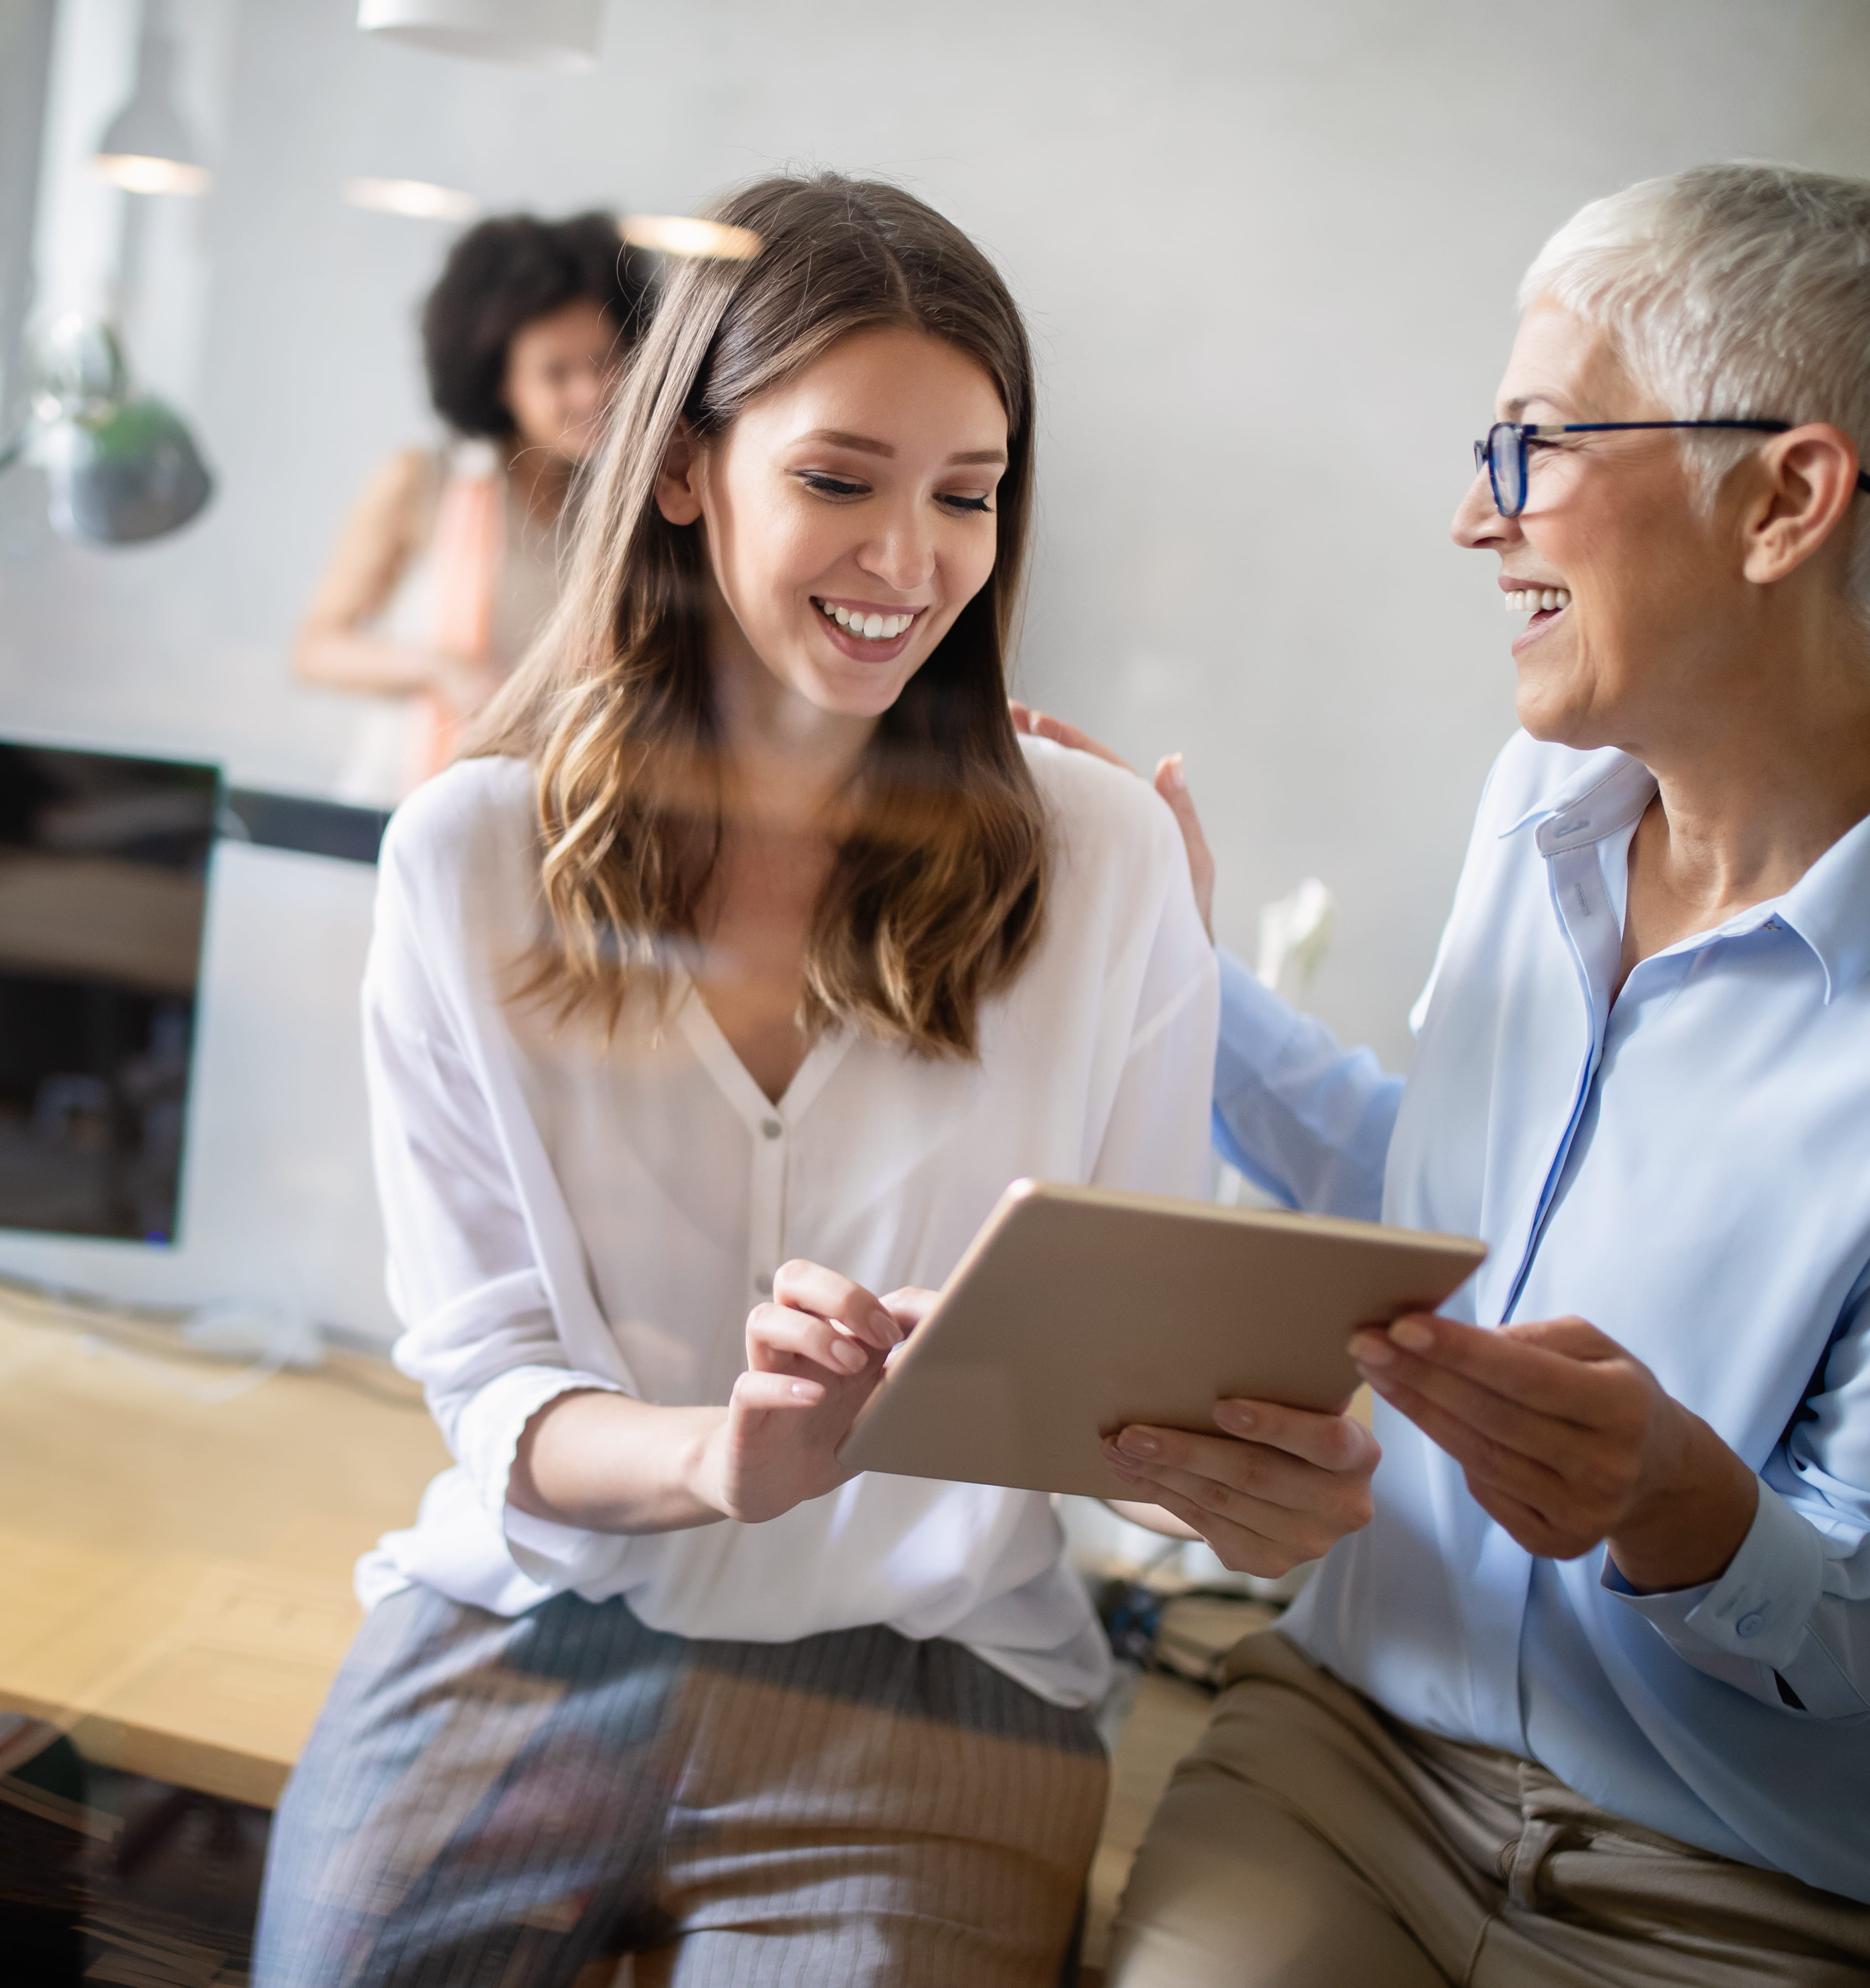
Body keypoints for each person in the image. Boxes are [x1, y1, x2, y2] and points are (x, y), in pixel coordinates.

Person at [1023, 163, 1870, 1986]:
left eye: (1527, 447)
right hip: (1351, 1752)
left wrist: (1674, 1503)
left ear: (1784, 496)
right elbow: (1430, 1217)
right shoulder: (1539, 812)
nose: (1469, 520)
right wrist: (1158, 958)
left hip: (1747, 1866)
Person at [256, 173, 1228, 1985]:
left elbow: (1132, 1388)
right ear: (686, 464)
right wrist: (718, 1454)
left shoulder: (1104, 861)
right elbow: (490, 1383)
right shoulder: (466, 857)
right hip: (534, 1619)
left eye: (965, 493)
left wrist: (1233, 1470)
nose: (908, 558)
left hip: (931, 1670)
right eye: (838, 478)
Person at [294, 211, 647, 799]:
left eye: (604, 363)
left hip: (539, 815)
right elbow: (317, 650)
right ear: (500, 381)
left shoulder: (619, 512)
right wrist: (439, 670)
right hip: (403, 803)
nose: (590, 394)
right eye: (555, 374)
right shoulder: (420, 481)